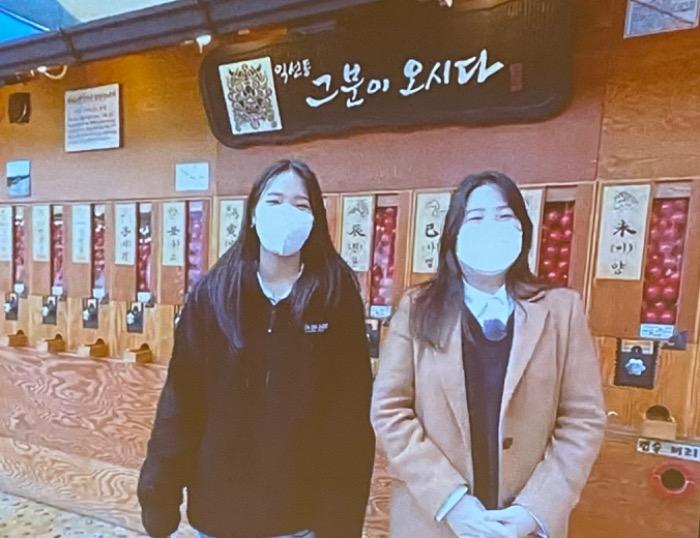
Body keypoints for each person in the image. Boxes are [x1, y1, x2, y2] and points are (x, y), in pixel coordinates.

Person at [138, 159, 375, 538]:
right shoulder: (214, 294)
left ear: (315, 220)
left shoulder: (335, 296)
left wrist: (341, 524)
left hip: (300, 518)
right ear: (252, 213)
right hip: (219, 514)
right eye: (274, 201)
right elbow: (181, 402)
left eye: (301, 205)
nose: (287, 213)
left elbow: (349, 419)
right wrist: (159, 496)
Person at [371, 171, 606, 538]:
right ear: (453, 234)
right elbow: (389, 410)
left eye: (504, 215)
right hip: (433, 519)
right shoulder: (418, 308)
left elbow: (582, 418)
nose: (491, 228)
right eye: (476, 217)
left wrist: (535, 509)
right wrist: (451, 500)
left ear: (522, 230)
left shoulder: (562, 310)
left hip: (524, 524)